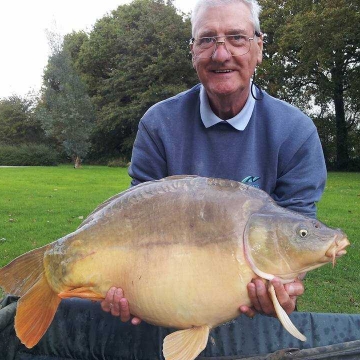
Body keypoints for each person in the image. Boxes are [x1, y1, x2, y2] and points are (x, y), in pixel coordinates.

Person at [101, 0, 326, 327]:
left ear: (259, 47)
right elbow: (135, 221)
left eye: (237, 38)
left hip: (254, 322)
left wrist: (287, 286)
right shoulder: (158, 124)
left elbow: (297, 236)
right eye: (207, 39)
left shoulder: (296, 133)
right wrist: (129, 288)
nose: (221, 54)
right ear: (193, 51)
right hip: (170, 304)